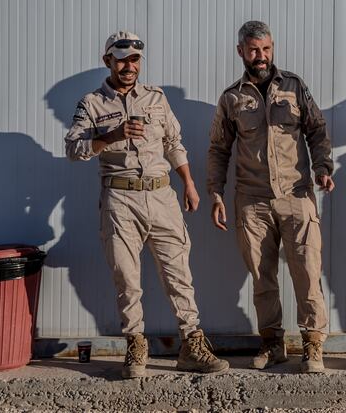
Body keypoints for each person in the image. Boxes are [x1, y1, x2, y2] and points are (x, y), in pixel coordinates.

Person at [65, 30, 228, 378]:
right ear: (108, 60)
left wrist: (188, 183)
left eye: (135, 59)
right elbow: (73, 150)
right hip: (120, 199)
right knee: (127, 276)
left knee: (179, 273)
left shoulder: (156, 98)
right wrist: (111, 135)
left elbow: (173, 141)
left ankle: (192, 345)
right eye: (122, 58)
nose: (129, 65)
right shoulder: (91, 103)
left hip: (162, 195)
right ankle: (135, 345)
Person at [207, 20, 334, 373]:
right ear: (241, 52)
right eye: (253, 50)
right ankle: (272, 343)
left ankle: (313, 346)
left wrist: (323, 166)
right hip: (252, 200)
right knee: (262, 277)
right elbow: (219, 149)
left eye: (265, 49)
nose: (260, 57)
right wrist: (215, 193)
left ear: (272, 48)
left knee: (307, 272)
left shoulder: (294, 86)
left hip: (296, 194)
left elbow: (317, 130)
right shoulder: (232, 98)